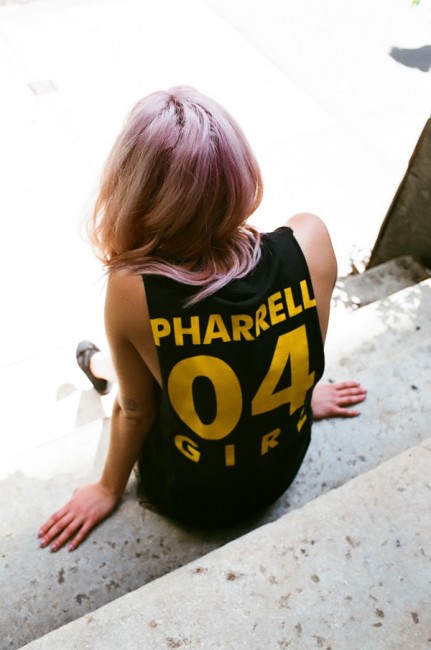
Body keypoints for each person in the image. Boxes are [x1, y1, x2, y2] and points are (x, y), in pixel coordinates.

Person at [38, 87, 366, 552]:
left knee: (140, 370)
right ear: (239, 171)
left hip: (189, 497)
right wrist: (300, 395)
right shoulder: (309, 241)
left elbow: (137, 410)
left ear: (134, 191)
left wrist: (107, 489)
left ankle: (96, 367)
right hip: (279, 470)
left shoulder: (133, 288)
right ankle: (99, 365)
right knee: (157, 358)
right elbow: (304, 340)